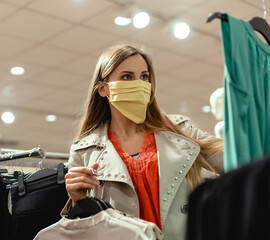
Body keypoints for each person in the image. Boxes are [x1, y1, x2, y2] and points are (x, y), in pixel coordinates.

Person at [62, 43, 222, 240]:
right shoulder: (84, 151)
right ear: (103, 89)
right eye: (127, 77)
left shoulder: (181, 131)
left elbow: (239, 157)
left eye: (144, 77)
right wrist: (77, 199)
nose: (139, 84)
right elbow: (84, 227)